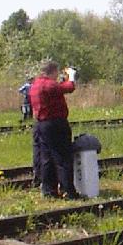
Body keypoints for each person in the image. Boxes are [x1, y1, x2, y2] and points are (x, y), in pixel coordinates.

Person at [29, 61, 79, 199]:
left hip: (41, 124)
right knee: (63, 157)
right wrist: (71, 76)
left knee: (47, 158)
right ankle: (68, 190)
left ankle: (49, 190)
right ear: (53, 71)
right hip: (56, 123)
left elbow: (56, 89)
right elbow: (69, 88)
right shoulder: (49, 84)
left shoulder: (35, 85)